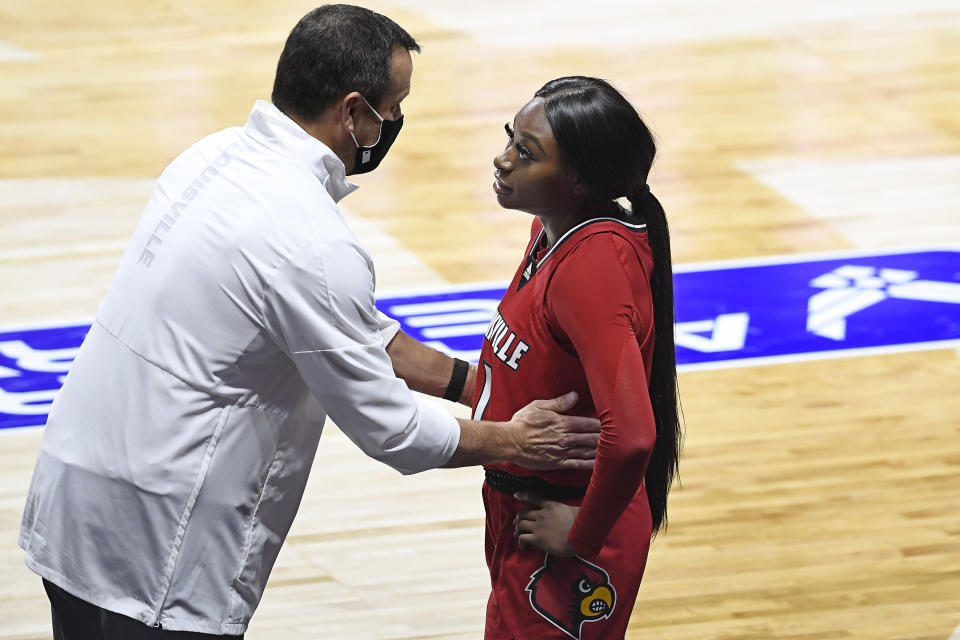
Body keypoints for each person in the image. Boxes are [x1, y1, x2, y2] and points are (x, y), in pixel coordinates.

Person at [18, 7, 601, 639]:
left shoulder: (211, 156)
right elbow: (393, 432)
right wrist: (516, 440)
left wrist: (473, 384)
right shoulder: (311, 241)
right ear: (353, 113)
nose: (396, 124)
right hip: (159, 543)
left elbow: (343, 324)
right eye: (392, 108)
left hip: (76, 501)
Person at [474, 76, 683, 639]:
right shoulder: (553, 231)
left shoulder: (591, 265)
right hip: (526, 512)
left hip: (568, 525)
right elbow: (521, 374)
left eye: (526, 151)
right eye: (509, 138)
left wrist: (582, 535)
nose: (502, 159)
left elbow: (635, 433)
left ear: (579, 179)